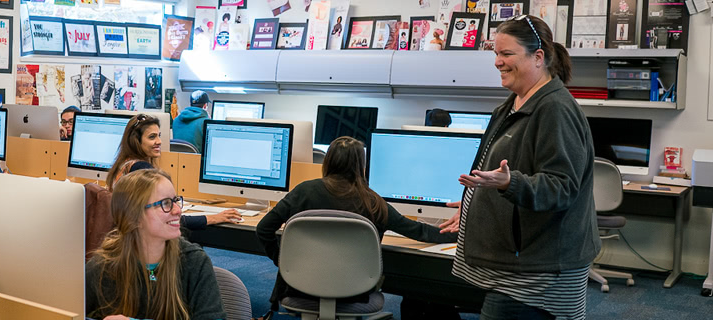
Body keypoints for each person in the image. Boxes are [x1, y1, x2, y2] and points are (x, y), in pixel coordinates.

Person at [439, 15, 597, 320]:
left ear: (538, 57)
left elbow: (561, 187)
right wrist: (473, 205)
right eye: (495, 54)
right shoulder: (513, 104)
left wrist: (508, 184)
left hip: (539, 273)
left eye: (507, 54)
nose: (498, 62)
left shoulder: (555, 110)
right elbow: (493, 174)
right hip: (518, 264)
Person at [255, 136, 458, 319]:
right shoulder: (373, 202)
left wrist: (285, 263)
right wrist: (460, 234)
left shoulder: (304, 191)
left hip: (299, 287)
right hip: (355, 293)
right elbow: (419, 231)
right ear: (361, 165)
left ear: (328, 161)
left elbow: (264, 228)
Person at [85, 169, 227, 320]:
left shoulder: (193, 262)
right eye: (166, 203)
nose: (178, 210)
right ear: (134, 216)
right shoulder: (104, 265)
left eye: (175, 201)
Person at [107, 114, 242, 229]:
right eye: (152, 137)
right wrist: (212, 218)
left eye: (159, 136)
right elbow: (168, 218)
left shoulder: (124, 165)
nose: (159, 141)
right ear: (136, 141)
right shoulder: (142, 171)